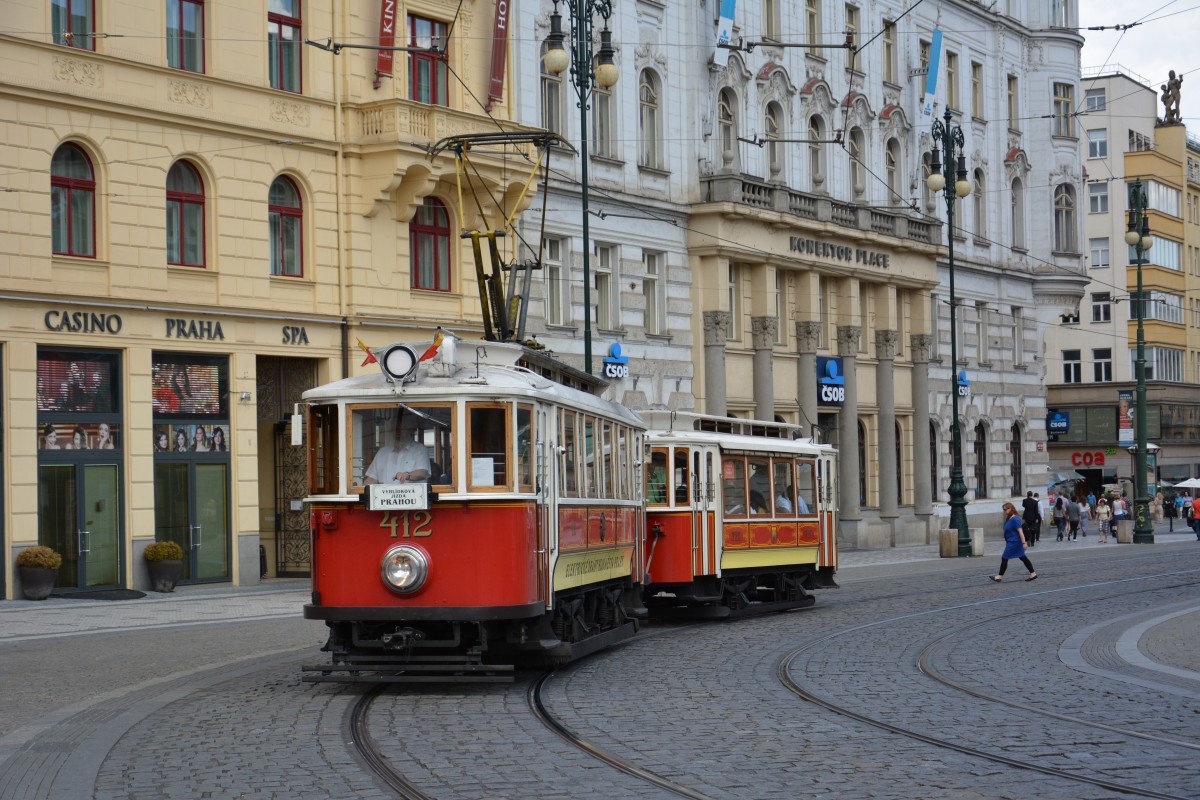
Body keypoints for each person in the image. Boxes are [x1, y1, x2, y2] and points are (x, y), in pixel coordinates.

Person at [364, 413, 429, 484]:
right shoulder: (382, 452)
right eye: (395, 428)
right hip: (385, 494)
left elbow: (422, 473)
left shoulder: (420, 449)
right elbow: (372, 478)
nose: (398, 432)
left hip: (412, 494)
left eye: (402, 428)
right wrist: (361, 490)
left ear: (409, 429)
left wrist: (407, 475)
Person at [993, 501, 1036, 582]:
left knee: (1004, 557)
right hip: (1011, 541)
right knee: (1023, 557)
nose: (1004, 511)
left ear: (1011, 509)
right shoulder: (1010, 518)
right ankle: (1033, 574)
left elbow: (1020, 531)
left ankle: (999, 576)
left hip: (1015, 542)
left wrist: (1024, 543)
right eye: (1003, 509)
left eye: (1005, 509)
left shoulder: (1015, 519)